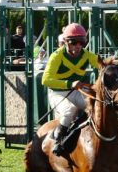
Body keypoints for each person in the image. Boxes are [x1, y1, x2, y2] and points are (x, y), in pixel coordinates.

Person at [42, 22, 99, 157]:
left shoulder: (87, 55)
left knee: (96, 108)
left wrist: (113, 63)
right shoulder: (56, 56)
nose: (78, 46)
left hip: (76, 92)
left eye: (82, 43)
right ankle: (58, 142)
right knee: (69, 111)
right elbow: (45, 80)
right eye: (74, 42)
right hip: (57, 93)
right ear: (66, 42)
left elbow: (102, 64)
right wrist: (70, 83)